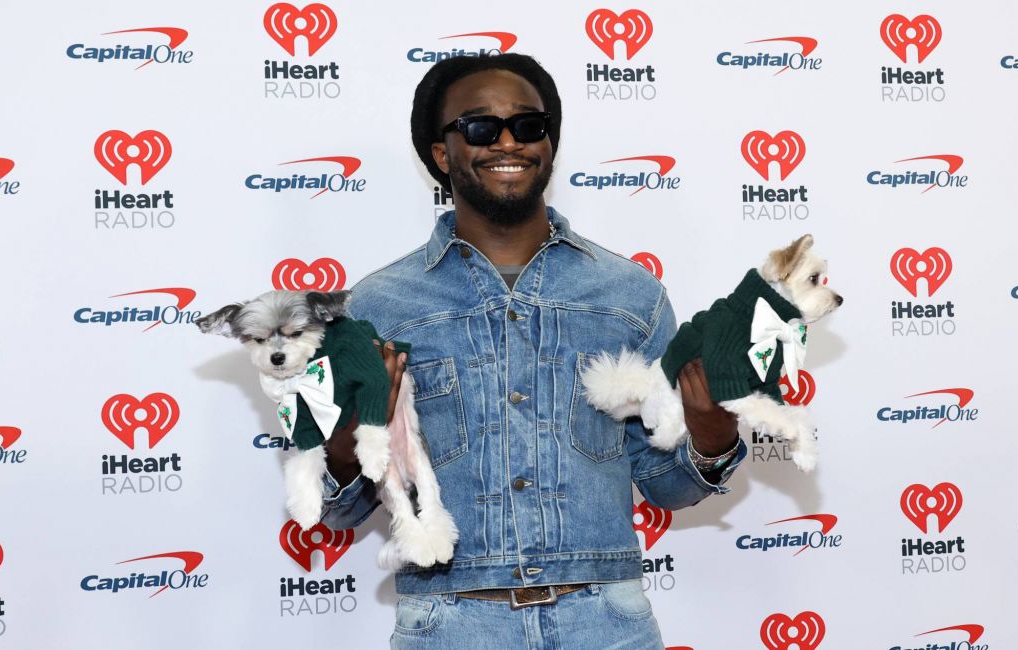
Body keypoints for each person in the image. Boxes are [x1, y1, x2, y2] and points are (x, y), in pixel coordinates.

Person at [319, 53, 745, 649]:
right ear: (443, 154)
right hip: (451, 626)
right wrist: (345, 445)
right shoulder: (379, 307)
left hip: (605, 625)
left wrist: (712, 436)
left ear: (549, 142)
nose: (507, 142)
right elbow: (339, 512)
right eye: (479, 127)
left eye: (528, 124)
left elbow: (667, 487)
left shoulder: (631, 295)